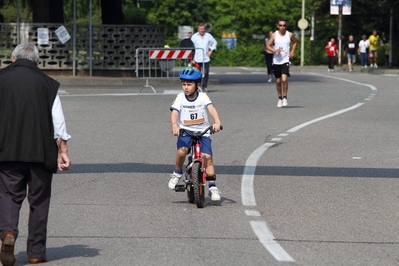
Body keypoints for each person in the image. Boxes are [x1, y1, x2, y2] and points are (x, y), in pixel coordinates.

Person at [0, 43, 71, 266]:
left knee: (9, 196)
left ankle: (8, 231)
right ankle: (36, 252)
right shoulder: (47, 83)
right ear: (38, 63)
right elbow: (57, 120)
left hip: (7, 150)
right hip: (41, 151)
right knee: (39, 201)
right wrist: (63, 149)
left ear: (12, 59)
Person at [168, 66, 222, 201]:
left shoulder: (203, 97)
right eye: (184, 84)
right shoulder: (180, 98)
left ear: (197, 84)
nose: (186, 87)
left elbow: (211, 108)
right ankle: (177, 172)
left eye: (189, 84)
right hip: (185, 131)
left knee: (207, 157)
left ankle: (212, 186)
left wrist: (216, 121)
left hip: (202, 131)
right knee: (181, 151)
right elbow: (174, 113)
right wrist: (175, 125)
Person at [266, 19, 297, 108]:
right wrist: (274, 50)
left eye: (284, 25)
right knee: (278, 81)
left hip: (285, 60)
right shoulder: (274, 35)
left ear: (286, 26)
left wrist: (292, 51)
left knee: (284, 79)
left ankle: (285, 97)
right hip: (276, 60)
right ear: (278, 26)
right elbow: (268, 45)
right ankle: (280, 97)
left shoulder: (289, 34)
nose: (282, 27)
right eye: (280, 25)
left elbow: (295, 43)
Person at [191, 23, 217, 92]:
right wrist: (192, 58)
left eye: (203, 29)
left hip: (205, 58)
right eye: (201, 29)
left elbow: (214, 42)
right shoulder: (194, 37)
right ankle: (197, 86)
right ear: (198, 29)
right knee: (197, 73)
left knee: (206, 73)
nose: (202, 31)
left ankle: (204, 86)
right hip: (197, 58)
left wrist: (211, 50)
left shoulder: (208, 36)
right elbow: (191, 47)